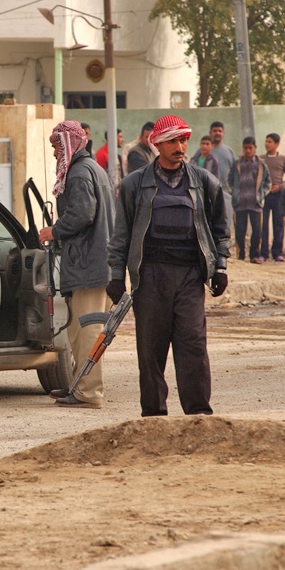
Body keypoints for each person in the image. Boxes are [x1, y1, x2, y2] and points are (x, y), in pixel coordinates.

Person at [106, 114, 229, 417]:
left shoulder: (203, 182)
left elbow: (220, 228)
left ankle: (198, 414)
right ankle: (153, 415)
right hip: (149, 278)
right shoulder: (135, 185)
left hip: (189, 277)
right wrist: (115, 275)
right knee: (150, 350)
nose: (180, 146)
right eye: (173, 141)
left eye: (183, 140)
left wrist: (220, 266)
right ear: (157, 144)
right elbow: (121, 234)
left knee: (193, 345)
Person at [38, 121, 115, 409]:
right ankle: (79, 385)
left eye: (56, 145)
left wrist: (54, 231)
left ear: (68, 143)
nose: (54, 151)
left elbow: (83, 213)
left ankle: (89, 393)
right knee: (79, 330)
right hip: (93, 263)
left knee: (88, 332)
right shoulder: (92, 169)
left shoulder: (80, 173)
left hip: (89, 265)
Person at [227, 136, 270, 263]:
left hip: (255, 203)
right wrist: (233, 193)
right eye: (245, 148)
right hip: (239, 203)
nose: (248, 150)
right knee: (240, 231)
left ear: (255, 148)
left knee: (257, 231)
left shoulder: (261, 164)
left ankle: (254, 255)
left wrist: (262, 195)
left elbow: (268, 182)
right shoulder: (237, 163)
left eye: (250, 148)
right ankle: (240, 256)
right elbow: (228, 180)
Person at [191, 121, 235, 240]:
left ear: (223, 133)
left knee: (223, 224)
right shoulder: (198, 154)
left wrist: (233, 190)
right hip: (203, 194)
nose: (217, 133)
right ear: (210, 132)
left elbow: (234, 172)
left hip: (225, 194)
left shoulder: (228, 151)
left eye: (220, 131)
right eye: (215, 131)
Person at [259, 133, 285, 262]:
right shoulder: (261, 159)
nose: (267, 144)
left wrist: (281, 186)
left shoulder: (282, 159)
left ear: (276, 144)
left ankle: (277, 252)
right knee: (264, 224)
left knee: (278, 224)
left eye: (270, 142)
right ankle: (263, 253)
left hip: (279, 195)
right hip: (264, 195)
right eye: (266, 141)